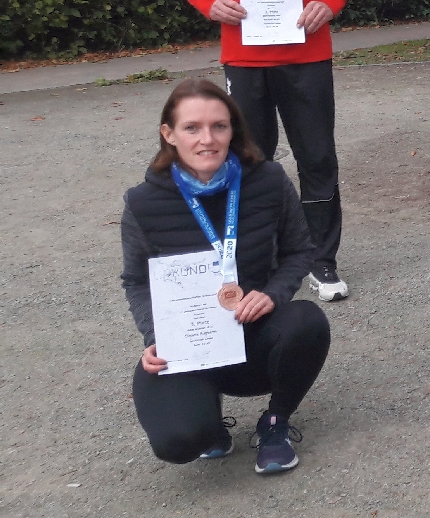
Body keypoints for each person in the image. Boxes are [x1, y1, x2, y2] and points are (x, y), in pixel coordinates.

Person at [171, 0, 362, 301]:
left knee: (317, 157)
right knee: (250, 159)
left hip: (307, 54)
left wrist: (330, 2)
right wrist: (209, 3)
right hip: (245, 57)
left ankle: (322, 260)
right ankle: (257, 259)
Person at [122, 78, 332, 472]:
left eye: (219, 126)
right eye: (192, 128)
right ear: (169, 134)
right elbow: (136, 280)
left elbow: (299, 251)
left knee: (307, 321)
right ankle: (208, 422)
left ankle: (275, 422)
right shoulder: (142, 203)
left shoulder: (268, 180)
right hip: (189, 346)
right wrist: (157, 337)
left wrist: (272, 294)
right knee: (179, 442)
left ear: (233, 130)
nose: (208, 139)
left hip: (255, 335)